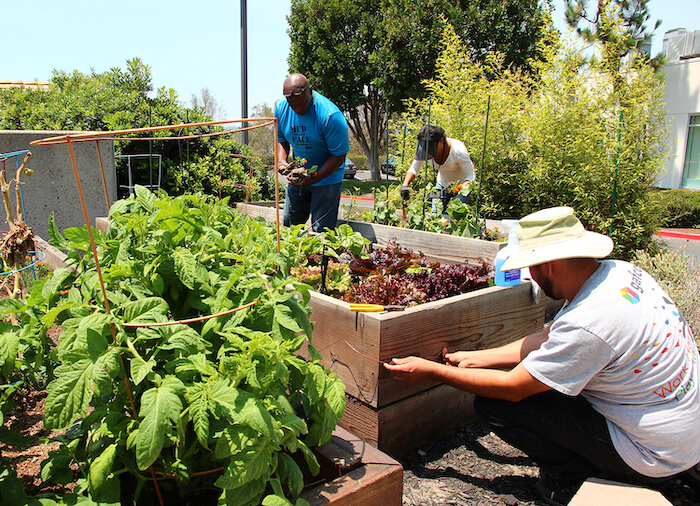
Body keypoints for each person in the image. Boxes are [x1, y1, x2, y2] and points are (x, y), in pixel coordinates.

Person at [384, 206, 700, 505]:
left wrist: (434, 371)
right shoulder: (619, 274)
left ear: (547, 264)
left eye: (530, 267)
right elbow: (549, 337)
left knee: (497, 407)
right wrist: (480, 357)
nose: (530, 276)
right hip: (684, 429)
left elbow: (514, 388)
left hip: (654, 453)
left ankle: (571, 477)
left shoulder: (589, 322)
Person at [275, 73, 350, 232]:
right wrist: (282, 160)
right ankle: (295, 256)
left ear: (310, 91)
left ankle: (320, 256)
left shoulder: (330, 116)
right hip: (298, 176)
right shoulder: (282, 109)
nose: (298, 109)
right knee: (291, 227)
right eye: (293, 106)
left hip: (327, 178)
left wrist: (314, 178)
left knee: (322, 230)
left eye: (302, 104)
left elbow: (339, 156)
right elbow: (281, 139)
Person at [400, 125, 475, 213]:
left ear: (441, 141)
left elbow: (470, 175)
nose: (428, 151)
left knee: (457, 213)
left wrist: (459, 188)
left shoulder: (458, 151)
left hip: (461, 186)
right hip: (441, 185)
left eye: (431, 147)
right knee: (435, 213)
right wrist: (405, 185)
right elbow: (414, 168)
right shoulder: (426, 149)